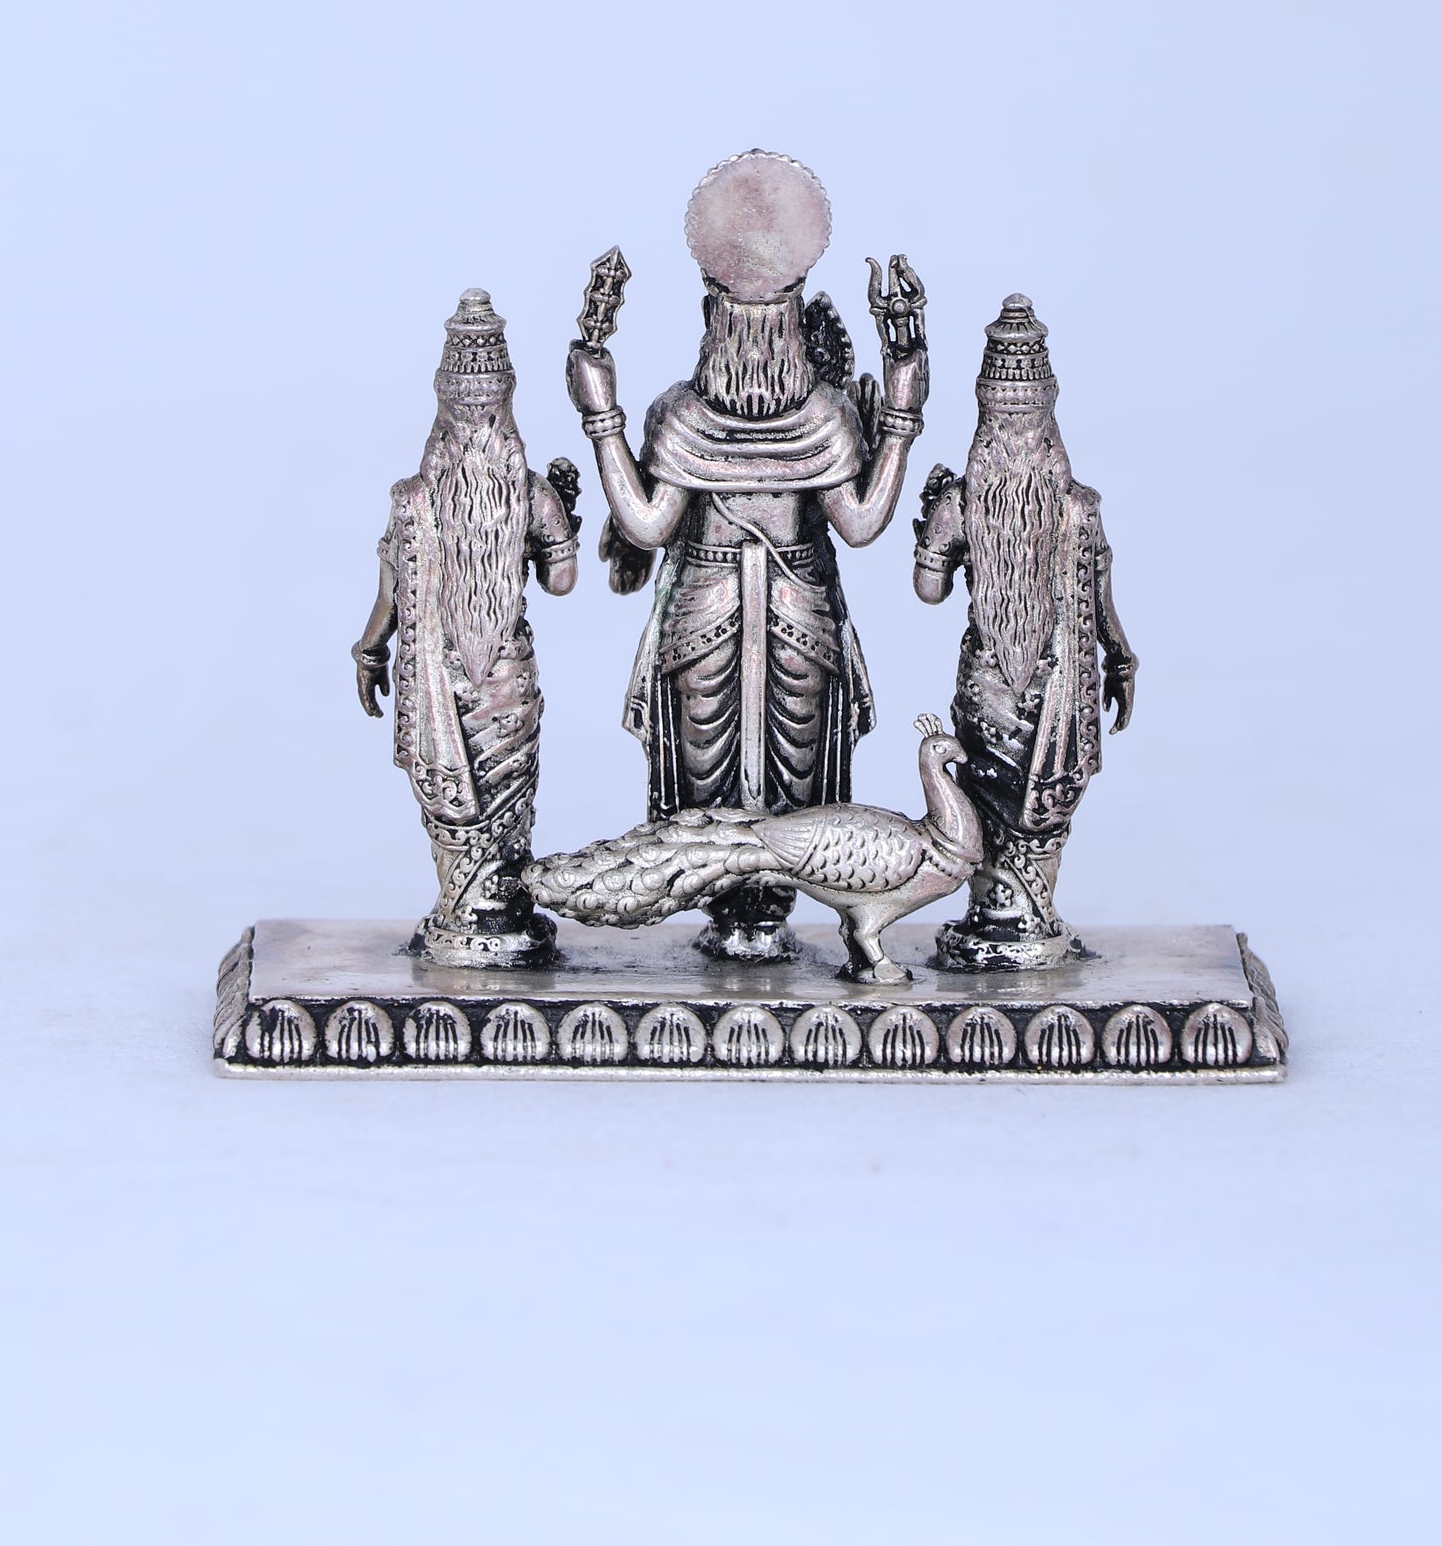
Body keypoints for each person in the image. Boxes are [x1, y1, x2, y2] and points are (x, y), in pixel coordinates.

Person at [565, 150, 928, 961]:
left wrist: (602, 417)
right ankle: (744, 923)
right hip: (751, 616)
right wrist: (903, 413)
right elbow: (858, 522)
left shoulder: (704, 415)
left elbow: (648, 524)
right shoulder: (794, 414)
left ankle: (754, 924)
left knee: (769, 797)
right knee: (731, 793)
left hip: (756, 616)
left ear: (710, 318)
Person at [353, 289, 578, 965]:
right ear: (506, 408)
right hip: (507, 685)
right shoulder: (530, 491)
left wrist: (369, 654)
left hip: (438, 681)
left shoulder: (413, 499)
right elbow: (561, 582)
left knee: (456, 802)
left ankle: (463, 917)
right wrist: (565, 512)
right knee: (507, 804)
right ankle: (500, 918)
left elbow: (389, 597)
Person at [913, 295, 1136, 967]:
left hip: (986, 686)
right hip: (1056, 689)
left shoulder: (960, 503)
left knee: (983, 786)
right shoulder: (1079, 508)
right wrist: (1122, 662)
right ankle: (1027, 921)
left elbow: (929, 591)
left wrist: (930, 527)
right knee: (1045, 799)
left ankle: (996, 916)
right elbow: (1102, 605)